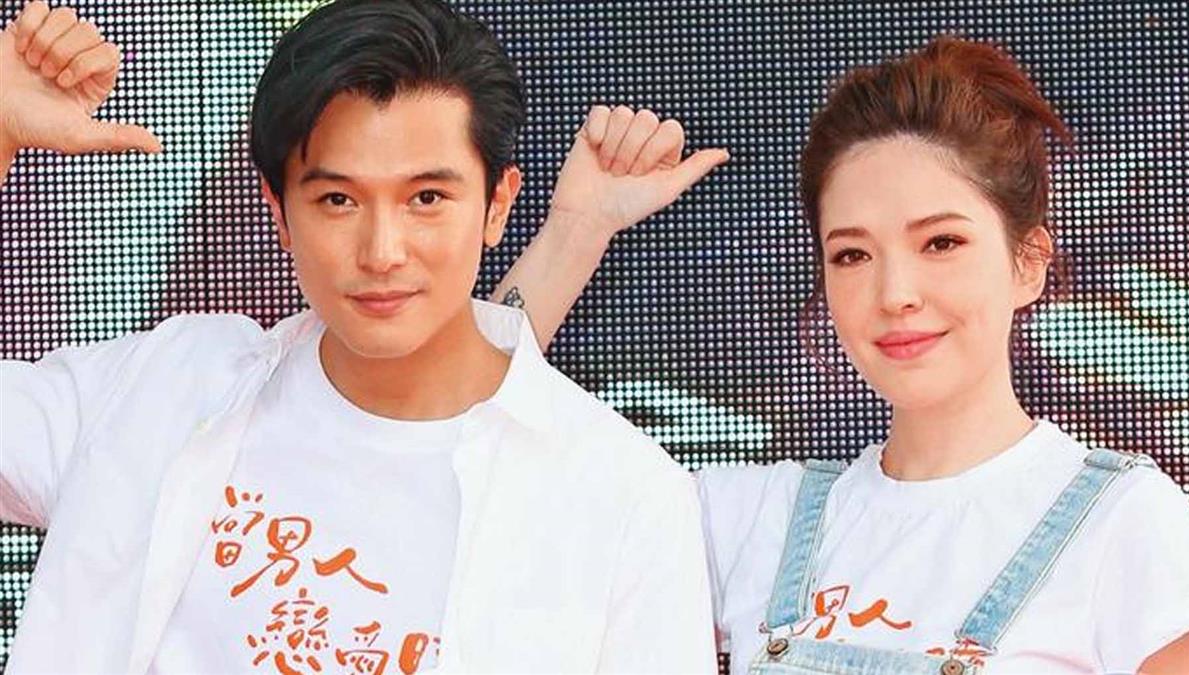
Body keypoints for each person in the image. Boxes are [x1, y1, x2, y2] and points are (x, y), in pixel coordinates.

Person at [0, 1, 730, 672]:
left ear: (497, 204)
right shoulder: (162, 384)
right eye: (338, 200)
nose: (382, 251)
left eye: (427, 198)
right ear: (279, 212)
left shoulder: (624, 498)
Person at [521, 38, 1189, 673]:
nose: (895, 293)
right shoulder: (752, 520)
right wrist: (577, 230)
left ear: (1028, 263)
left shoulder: (1123, 521)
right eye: (852, 254)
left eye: (940, 243)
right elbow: (483, 470)